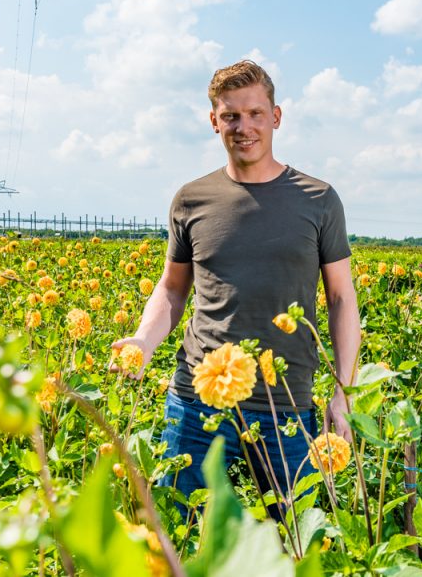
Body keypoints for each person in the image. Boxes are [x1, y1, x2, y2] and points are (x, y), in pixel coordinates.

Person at [111, 60, 360, 512]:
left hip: (288, 403)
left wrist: (344, 392)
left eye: (254, 114)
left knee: (297, 540)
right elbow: (171, 289)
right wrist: (144, 342)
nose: (243, 127)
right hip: (195, 399)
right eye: (230, 116)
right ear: (214, 122)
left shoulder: (319, 199)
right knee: (174, 534)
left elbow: (342, 299)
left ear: (276, 117)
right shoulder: (192, 199)